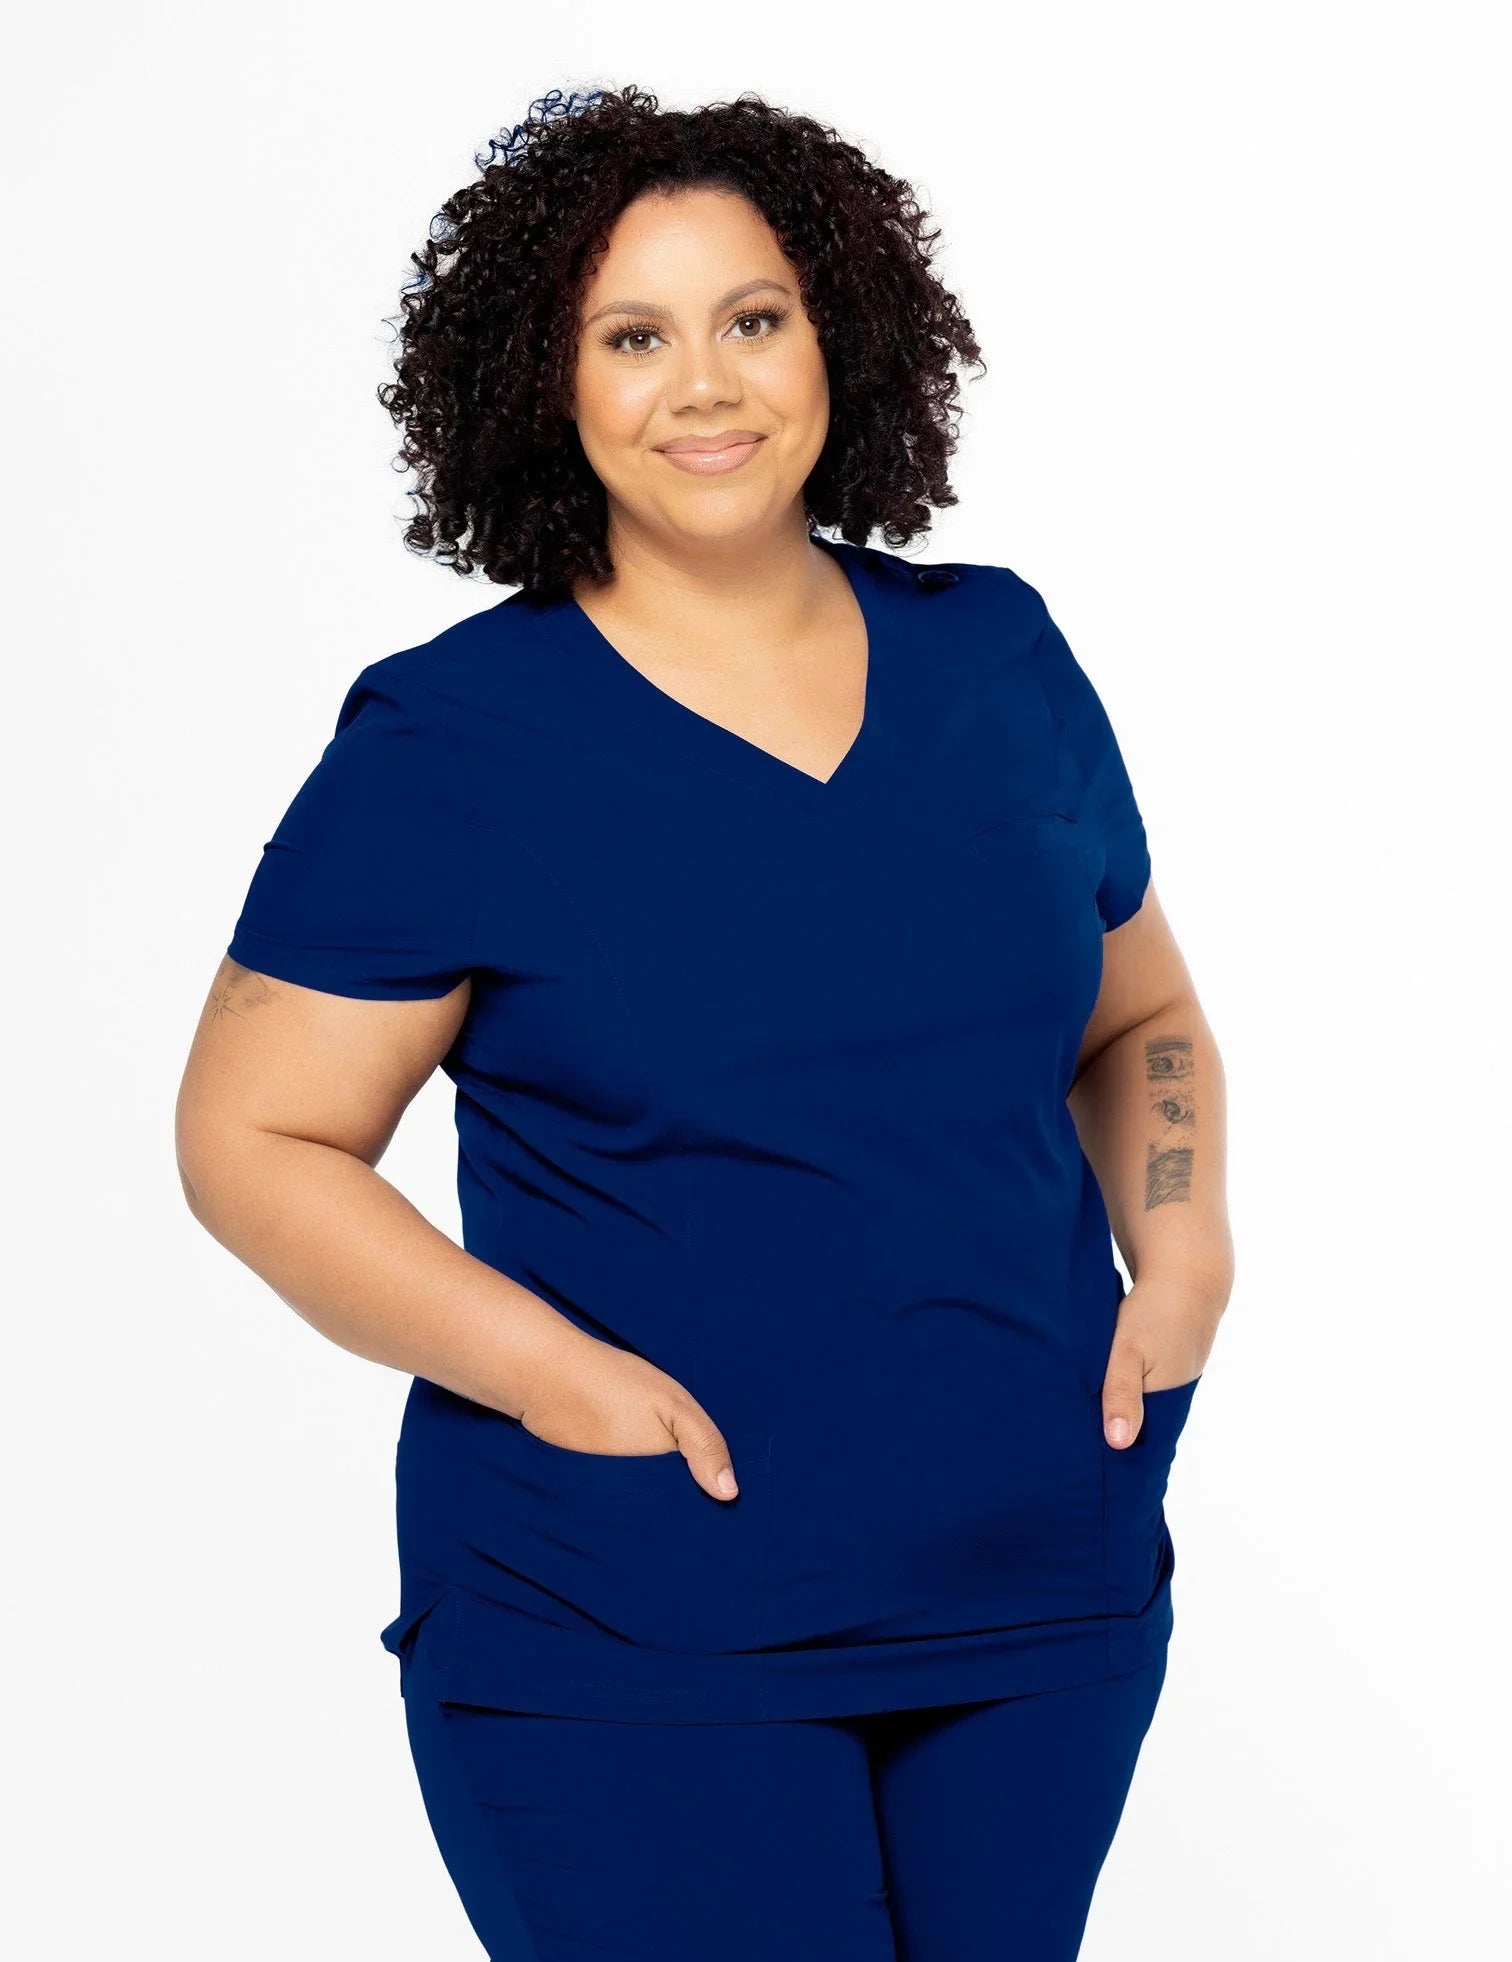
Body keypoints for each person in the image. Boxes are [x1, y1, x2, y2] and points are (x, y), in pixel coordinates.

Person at [176, 83, 1233, 1962]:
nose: (707, 385)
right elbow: (253, 1139)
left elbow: (1135, 1011)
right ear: (548, 383)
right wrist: (552, 1377)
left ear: (839, 335)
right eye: (633, 337)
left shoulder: (996, 658)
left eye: (753, 317)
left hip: (1032, 1588)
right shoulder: (454, 743)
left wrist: (1186, 1253)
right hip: (631, 1608)